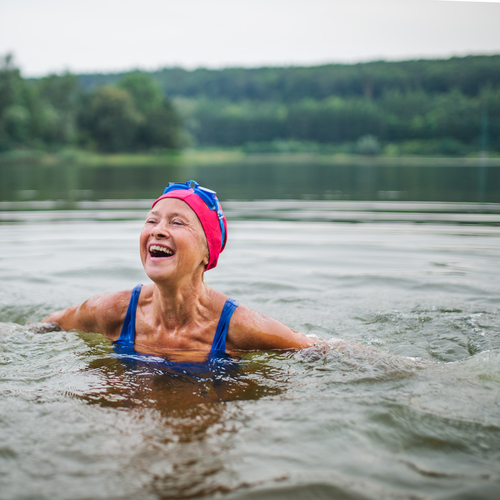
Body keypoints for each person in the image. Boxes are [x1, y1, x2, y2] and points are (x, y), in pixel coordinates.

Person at [42, 180, 318, 361]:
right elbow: (49, 326)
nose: (158, 230)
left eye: (177, 223)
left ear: (207, 251)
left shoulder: (240, 327)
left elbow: (320, 350)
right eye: (152, 220)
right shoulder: (111, 310)